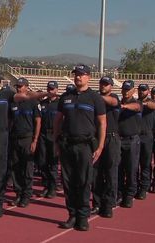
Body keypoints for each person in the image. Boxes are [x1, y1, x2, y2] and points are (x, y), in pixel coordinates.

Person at [0, 70, 51, 217]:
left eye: (0, 81)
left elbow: (25, 96)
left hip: (0, 137)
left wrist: (44, 95)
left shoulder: (6, 95)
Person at [53, 65, 106, 231]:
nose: (78, 78)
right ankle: (72, 215)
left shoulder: (95, 98)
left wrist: (100, 146)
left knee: (83, 182)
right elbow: (58, 120)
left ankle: (83, 217)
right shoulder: (66, 97)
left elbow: (102, 123)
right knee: (68, 182)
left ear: (88, 77)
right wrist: (56, 141)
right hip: (67, 144)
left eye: (81, 75)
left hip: (85, 145)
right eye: (76, 75)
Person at [91, 77, 121, 218]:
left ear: (111, 87)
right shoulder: (95, 99)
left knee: (110, 172)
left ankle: (108, 204)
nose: (103, 86)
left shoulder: (113, 98)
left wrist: (96, 97)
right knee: (95, 173)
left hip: (111, 138)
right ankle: (96, 203)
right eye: (101, 84)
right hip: (96, 137)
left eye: (106, 84)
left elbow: (112, 102)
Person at [9, 78, 41, 207]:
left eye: (21, 86)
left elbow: (38, 121)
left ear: (27, 87)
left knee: (27, 168)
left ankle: (26, 195)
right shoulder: (13, 102)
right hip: (14, 138)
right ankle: (18, 193)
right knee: (15, 167)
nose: (19, 88)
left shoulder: (33, 102)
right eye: (17, 86)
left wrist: (35, 140)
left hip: (27, 138)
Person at [117, 80, 142, 208]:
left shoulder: (136, 103)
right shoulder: (118, 103)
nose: (126, 92)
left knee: (131, 169)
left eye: (128, 90)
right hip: (118, 140)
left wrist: (124, 107)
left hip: (131, 140)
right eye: (124, 89)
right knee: (118, 169)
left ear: (133, 91)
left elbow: (137, 107)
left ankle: (129, 195)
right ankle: (119, 193)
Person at [38, 81, 60, 199]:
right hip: (43, 134)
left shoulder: (59, 104)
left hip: (54, 135)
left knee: (52, 163)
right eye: (49, 89)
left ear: (56, 90)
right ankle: (46, 186)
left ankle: (52, 188)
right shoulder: (43, 103)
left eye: (52, 89)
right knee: (42, 161)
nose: (50, 91)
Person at [136, 84, 155, 200]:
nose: (141, 92)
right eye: (140, 90)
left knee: (145, 163)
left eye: (144, 90)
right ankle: (135, 186)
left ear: (148, 92)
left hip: (147, 136)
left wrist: (141, 104)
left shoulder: (150, 102)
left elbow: (154, 106)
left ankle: (144, 187)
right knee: (134, 164)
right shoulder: (135, 102)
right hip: (136, 136)